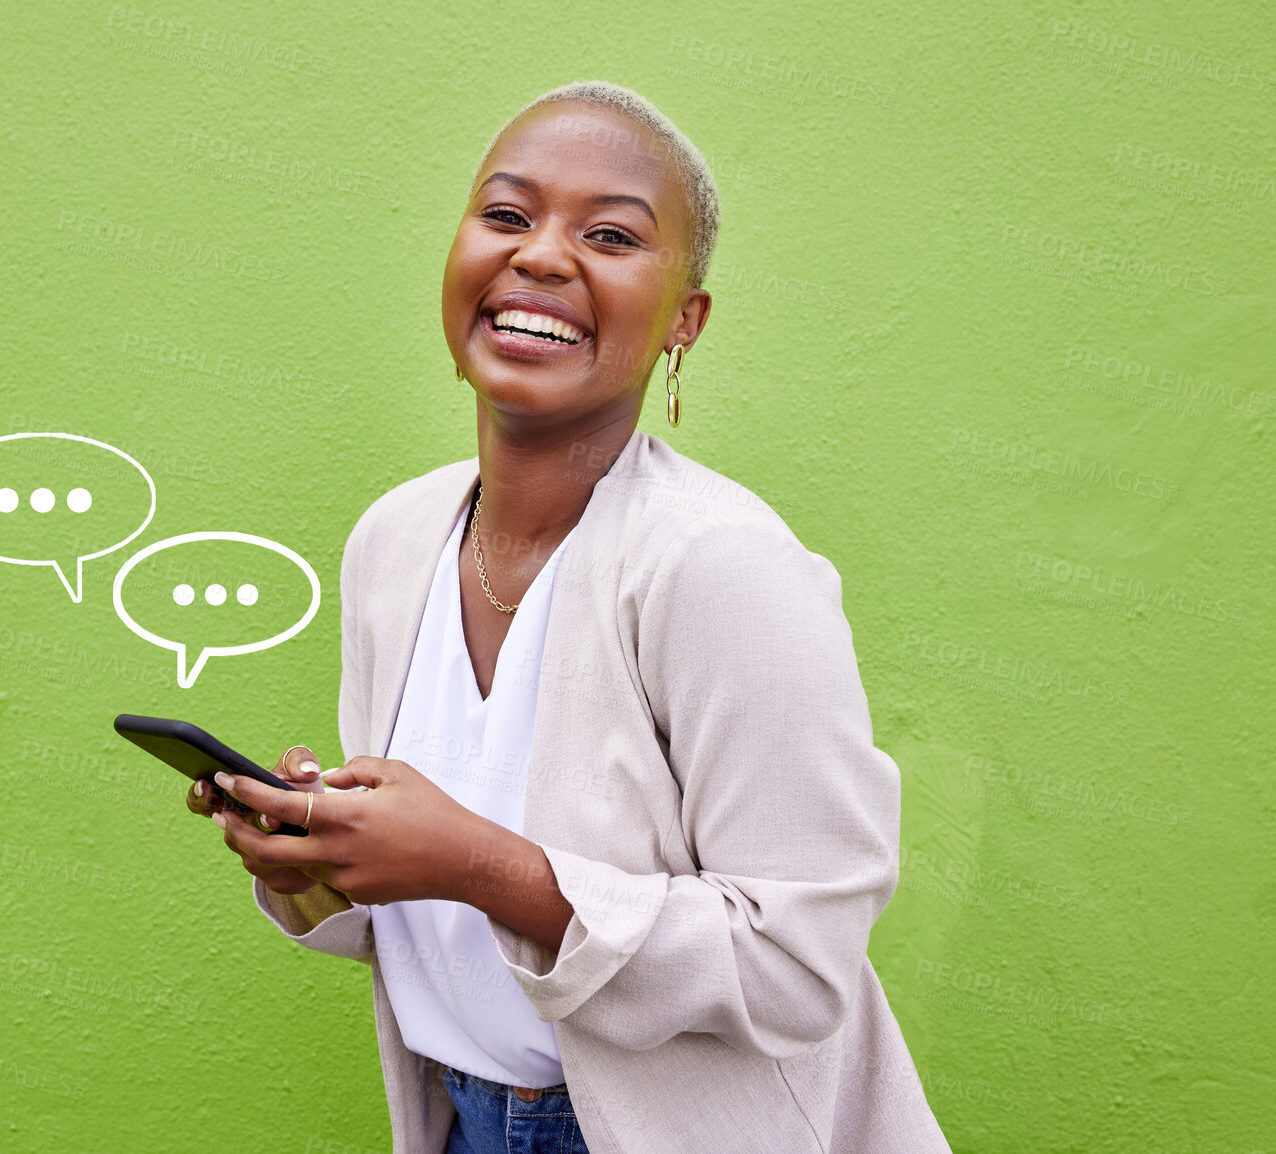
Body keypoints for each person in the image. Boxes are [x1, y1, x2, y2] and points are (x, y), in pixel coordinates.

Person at [187, 80, 951, 1154]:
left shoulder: (723, 567)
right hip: (459, 1118)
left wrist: (473, 862)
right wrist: (323, 862)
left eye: (610, 233)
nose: (541, 255)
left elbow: (797, 962)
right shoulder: (393, 542)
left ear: (685, 321)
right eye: (506, 215)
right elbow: (444, 941)